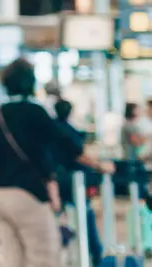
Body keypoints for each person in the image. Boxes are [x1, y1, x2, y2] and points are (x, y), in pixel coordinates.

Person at [0, 59, 112, 267]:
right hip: (29, 195)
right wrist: (99, 165)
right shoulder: (35, 113)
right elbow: (64, 147)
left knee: (14, 260)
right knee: (44, 257)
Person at [53, 100, 102, 266]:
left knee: (62, 218)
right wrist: (99, 165)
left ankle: (69, 252)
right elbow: (77, 154)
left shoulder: (52, 129)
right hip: (72, 182)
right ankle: (95, 254)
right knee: (85, 217)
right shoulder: (68, 132)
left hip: (58, 182)